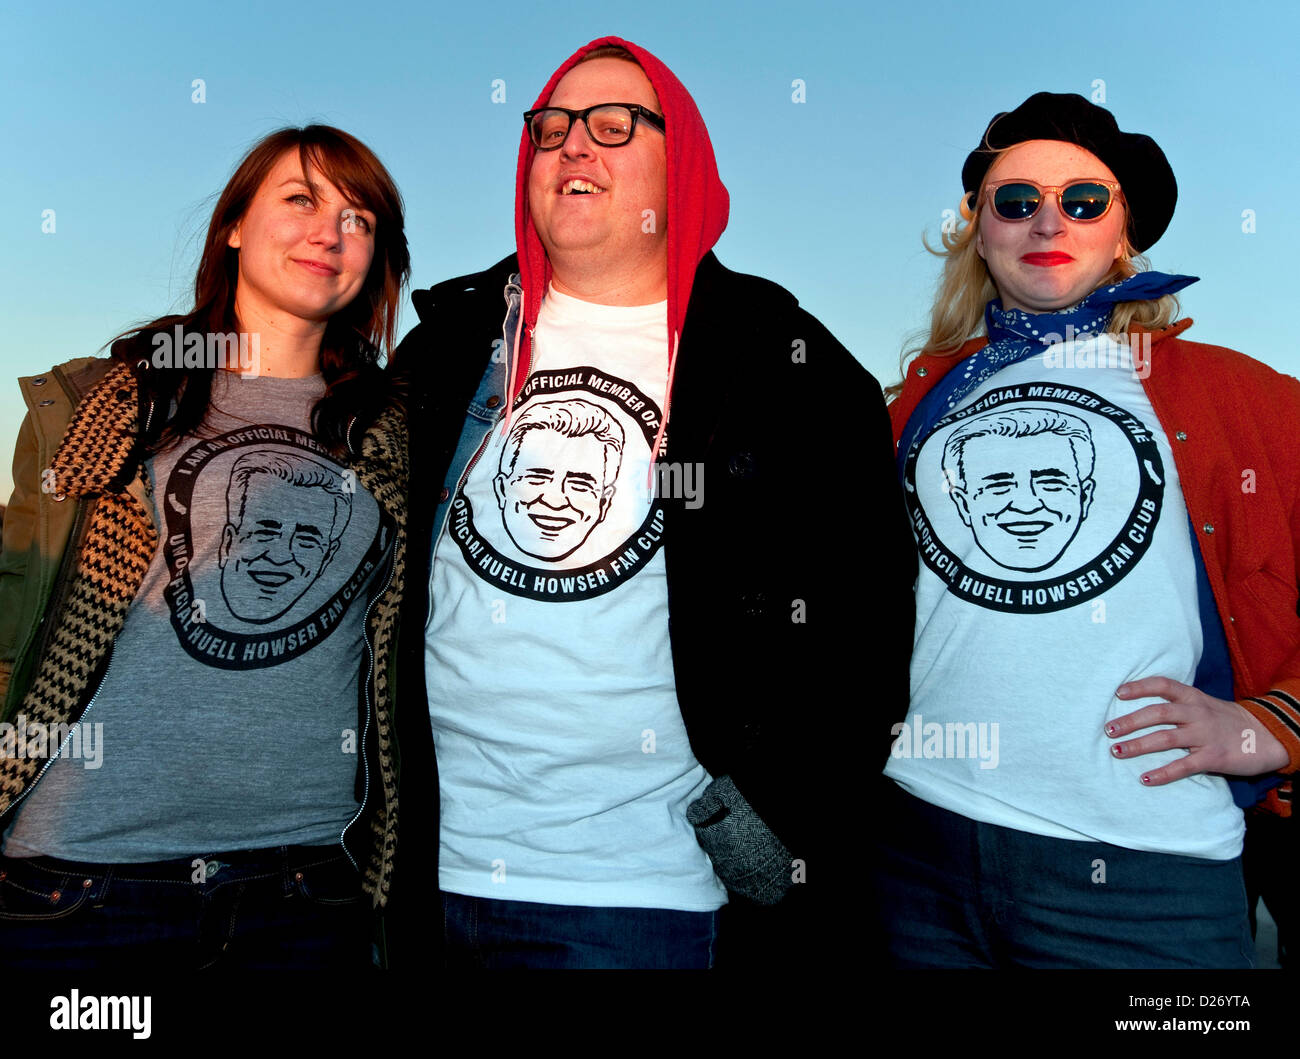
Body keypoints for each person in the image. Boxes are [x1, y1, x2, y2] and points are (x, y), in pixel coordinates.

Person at [385, 36, 914, 969]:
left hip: (649, 894)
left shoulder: (786, 361)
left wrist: (779, 809)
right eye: (550, 128)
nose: (573, 147)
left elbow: (867, 616)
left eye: (613, 125)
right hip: (429, 878)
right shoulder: (450, 345)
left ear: (683, 163)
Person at [880, 91, 1300, 968]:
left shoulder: (1238, 396)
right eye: (1015, 200)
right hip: (917, 853)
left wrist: (1273, 723)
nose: (1047, 222)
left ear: (1122, 232)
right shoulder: (917, 399)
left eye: (1082, 200)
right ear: (979, 229)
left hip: (1151, 884)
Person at [0, 125, 411, 970]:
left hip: (305, 891)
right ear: (233, 225)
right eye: (300, 199)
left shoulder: (392, 428)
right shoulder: (104, 402)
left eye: (359, 217)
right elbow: (16, 613)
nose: (329, 231)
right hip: (80, 889)